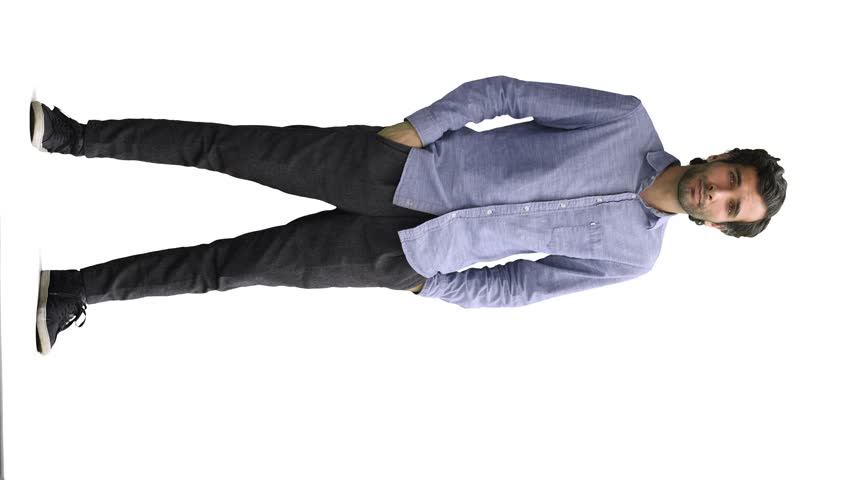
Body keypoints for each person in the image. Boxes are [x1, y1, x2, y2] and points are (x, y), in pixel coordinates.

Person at [30, 75, 787, 355]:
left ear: (721, 227)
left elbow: (525, 287)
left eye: (731, 207)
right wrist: (418, 129)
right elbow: (507, 94)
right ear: (722, 158)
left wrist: (435, 286)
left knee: (232, 269)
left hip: (412, 257)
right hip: (398, 166)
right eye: (730, 178)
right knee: (227, 149)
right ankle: (72, 136)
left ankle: (74, 289)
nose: (717, 194)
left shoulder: (636, 257)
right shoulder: (627, 119)